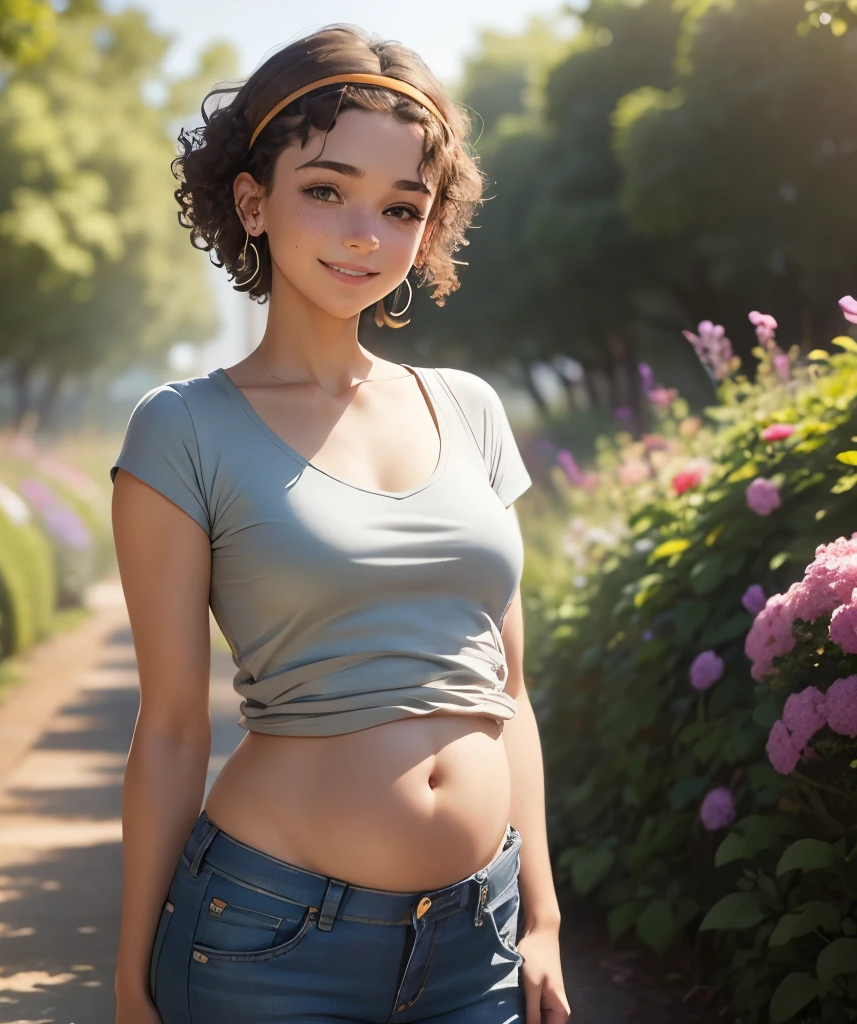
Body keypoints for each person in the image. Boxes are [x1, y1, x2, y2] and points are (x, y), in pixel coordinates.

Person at [110, 22, 571, 1024]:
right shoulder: (183, 427)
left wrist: (541, 917)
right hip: (268, 939)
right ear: (252, 201)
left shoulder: (471, 410)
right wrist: (128, 978)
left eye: (399, 205)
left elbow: (511, 696)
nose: (364, 232)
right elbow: (173, 727)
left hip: (478, 936)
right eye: (326, 189)